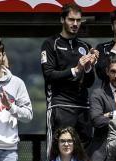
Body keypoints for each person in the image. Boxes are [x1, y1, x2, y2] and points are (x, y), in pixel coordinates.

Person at [41, 3, 96, 150]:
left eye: (78, 20)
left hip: (83, 106)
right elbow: (49, 74)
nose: (75, 24)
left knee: (84, 154)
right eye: (71, 19)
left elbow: (89, 82)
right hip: (60, 104)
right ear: (62, 20)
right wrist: (76, 69)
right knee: (57, 152)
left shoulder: (85, 46)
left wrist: (89, 67)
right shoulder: (50, 43)